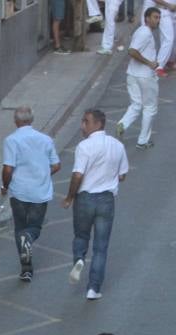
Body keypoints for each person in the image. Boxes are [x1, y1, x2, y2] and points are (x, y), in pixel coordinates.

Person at [62, 109, 130, 301]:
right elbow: (122, 175)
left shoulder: (84, 146)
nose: (83, 125)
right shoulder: (117, 146)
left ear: (98, 124)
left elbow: (77, 174)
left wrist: (69, 197)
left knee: (81, 236)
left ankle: (79, 260)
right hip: (106, 200)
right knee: (101, 246)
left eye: (86, 122)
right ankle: (93, 288)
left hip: (85, 199)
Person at [1, 106, 61, 282]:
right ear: (32, 120)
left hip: (19, 191)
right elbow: (56, 165)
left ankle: (26, 269)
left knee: (20, 227)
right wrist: (43, 174)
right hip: (40, 191)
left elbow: (7, 168)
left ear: (16, 120)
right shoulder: (46, 139)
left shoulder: (11, 140)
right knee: (35, 226)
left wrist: (5, 185)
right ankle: (29, 238)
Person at [115, 8, 161, 150]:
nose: (158, 20)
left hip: (132, 74)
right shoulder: (146, 33)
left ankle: (123, 123)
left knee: (136, 104)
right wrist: (150, 63)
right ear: (147, 18)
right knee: (150, 108)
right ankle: (143, 141)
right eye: (155, 17)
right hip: (145, 76)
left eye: (159, 18)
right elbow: (132, 51)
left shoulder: (141, 31)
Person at [142, 0, 176, 74]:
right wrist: (168, 5)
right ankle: (159, 66)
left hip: (173, 12)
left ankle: (170, 60)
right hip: (163, 11)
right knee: (168, 39)